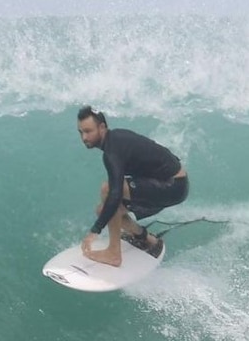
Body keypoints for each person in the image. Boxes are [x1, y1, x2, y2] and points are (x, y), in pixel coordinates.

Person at [76, 105, 189, 267]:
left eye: (88, 131)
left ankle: (114, 253)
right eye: (81, 132)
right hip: (168, 183)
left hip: (173, 185)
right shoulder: (115, 139)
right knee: (104, 211)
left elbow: (114, 192)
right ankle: (146, 238)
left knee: (107, 191)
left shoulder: (112, 151)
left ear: (102, 127)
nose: (84, 138)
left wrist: (95, 230)